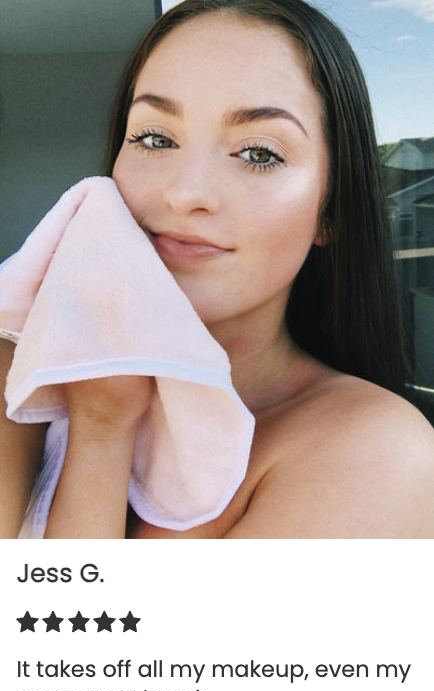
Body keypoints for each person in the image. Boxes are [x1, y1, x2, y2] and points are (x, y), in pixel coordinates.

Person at [1, 0, 433, 539]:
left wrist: (103, 427)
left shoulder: (377, 457)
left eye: (259, 153)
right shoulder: (20, 367)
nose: (185, 193)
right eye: (156, 139)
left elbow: (60, 602)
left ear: (332, 210)